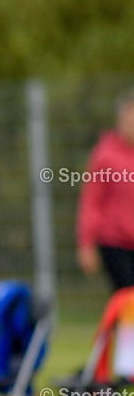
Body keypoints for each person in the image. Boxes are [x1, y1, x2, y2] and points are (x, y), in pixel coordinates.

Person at [77, 89, 134, 291]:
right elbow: (91, 201)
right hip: (115, 241)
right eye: (128, 120)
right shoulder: (105, 155)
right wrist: (86, 244)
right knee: (127, 297)